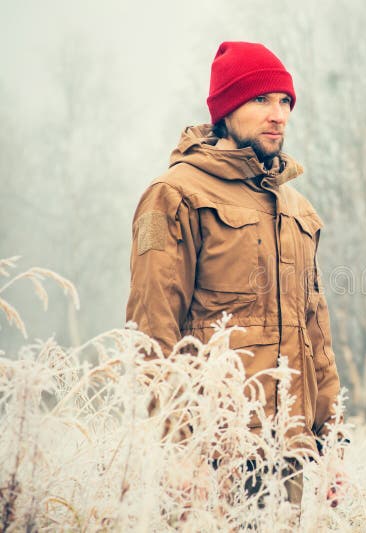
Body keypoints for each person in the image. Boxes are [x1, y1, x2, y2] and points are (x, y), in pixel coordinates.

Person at [125, 41, 344, 509]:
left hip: (290, 447)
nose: (278, 114)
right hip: (213, 447)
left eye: (285, 101)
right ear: (226, 109)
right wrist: (177, 445)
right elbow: (151, 330)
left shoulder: (297, 208)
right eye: (261, 99)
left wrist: (333, 441)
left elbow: (315, 335)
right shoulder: (174, 194)